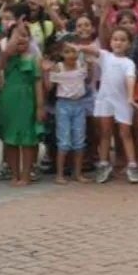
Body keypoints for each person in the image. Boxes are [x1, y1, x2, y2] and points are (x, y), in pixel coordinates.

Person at [75, 28, 138, 184]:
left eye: (123, 40)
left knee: (125, 133)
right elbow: (93, 49)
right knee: (105, 132)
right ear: (110, 42)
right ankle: (104, 164)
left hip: (123, 101)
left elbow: (130, 79)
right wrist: (79, 47)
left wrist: (130, 97)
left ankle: (132, 165)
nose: (118, 42)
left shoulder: (128, 63)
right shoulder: (105, 56)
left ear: (129, 44)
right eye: (115, 39)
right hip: (105, 100)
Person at [0, 23, 44, 188]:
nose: (20, 39)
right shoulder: (7, 59)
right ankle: (14, 174)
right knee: (10, 140)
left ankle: (26, 174)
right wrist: (10, 43)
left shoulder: (34, 59)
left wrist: (39, 107)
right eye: (16, 36)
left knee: (27, 139)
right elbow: (0, 65)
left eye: (24, 35)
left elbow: (38, 85)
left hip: (27, 103)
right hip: (8, 102)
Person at [47, 40, 89, 184]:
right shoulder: (58, 68)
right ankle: (60, 175)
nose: (71, 55)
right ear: (61, 54)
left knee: (79, 140)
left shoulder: (82, 66)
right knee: (64, 141)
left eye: (74, 51)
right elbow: (48, 87)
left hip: (79, 104)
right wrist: (47, 72)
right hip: (63, 105)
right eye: (67, 52)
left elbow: (87, 80)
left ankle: (77, 173)